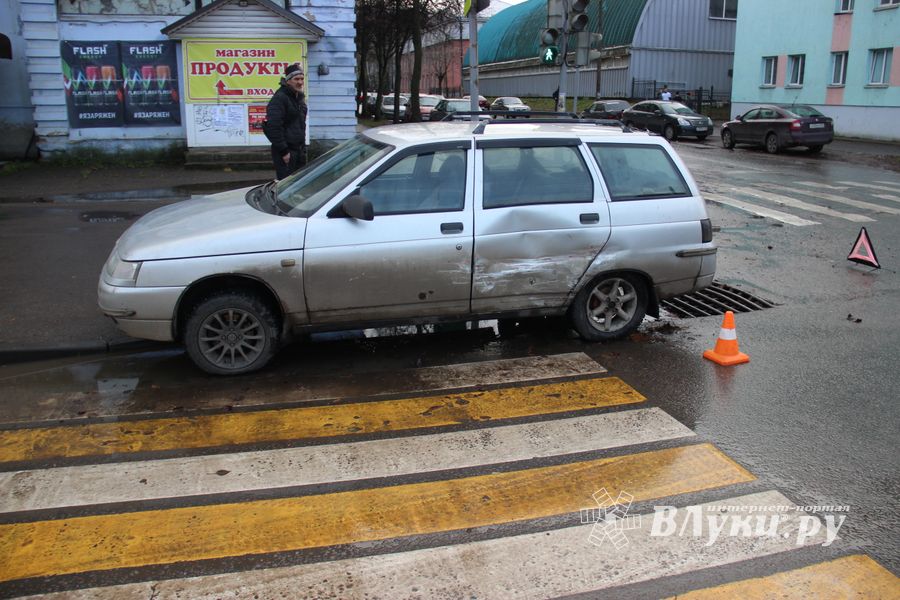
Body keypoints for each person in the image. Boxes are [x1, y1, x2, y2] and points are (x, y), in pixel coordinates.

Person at [266, 63, 308, 180]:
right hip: (286, 152)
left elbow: (300, 125)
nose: (300, 82)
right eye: (296, 79)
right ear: (288, 81)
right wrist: (284, 151)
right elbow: (273, 126)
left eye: (301, 79)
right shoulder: (280, 98)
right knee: (286, 186)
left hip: (299, 151)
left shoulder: (298, 98)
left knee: (298, 185)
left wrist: (303, 148)